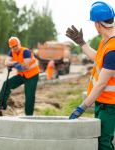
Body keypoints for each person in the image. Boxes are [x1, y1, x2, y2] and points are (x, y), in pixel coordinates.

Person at [66, 1, 115, 150]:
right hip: (102, 103)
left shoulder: (112, 49)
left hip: (110, 105)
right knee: (101, 140)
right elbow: (97, 57)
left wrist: (82, 106)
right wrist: (81, 43)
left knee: (103, 143)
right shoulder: (105, 43)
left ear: (98, 24)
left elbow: (101, 84)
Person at [0, 37, 40, 116]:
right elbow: (6, 63)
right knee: (6, 84)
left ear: (19, 44)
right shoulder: (12, 52)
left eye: (16, 45)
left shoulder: (26, 52)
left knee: (29, 96)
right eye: (12, 46)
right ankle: (2, 105)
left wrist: (13, 63)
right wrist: (15, 63)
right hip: (22, 75)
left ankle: (29, 115)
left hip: (32, 76)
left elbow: (26, 66)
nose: (15, 47)